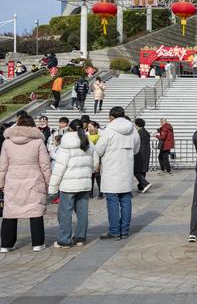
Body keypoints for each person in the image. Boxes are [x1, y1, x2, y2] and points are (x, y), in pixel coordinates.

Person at [0, 116, 51, 253]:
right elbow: (45, 165)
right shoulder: (38, 142)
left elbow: (3, 165)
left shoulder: (7, 143)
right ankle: (37, 243)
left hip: (13, 180)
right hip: (34, 179)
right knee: (35, 211)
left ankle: (6, 244)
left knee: (10, 212)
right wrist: (48, 181)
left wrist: (1, 182)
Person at [48, 119, 97, 248]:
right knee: (82, 212)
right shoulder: (88, 142)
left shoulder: (66, 143)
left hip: (68, 185)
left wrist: (52, 187)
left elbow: (59, 168)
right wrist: (87, 173)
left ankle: (64, 239)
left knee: (65, 213)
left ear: (69, 129)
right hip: (85, 183)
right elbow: (95, 163)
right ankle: (80, 238)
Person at [95, 106, 140, 240]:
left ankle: (114, 230)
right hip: (126, 168)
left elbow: (99, 149)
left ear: (111, 117)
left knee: (112, 200)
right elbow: (136, 149)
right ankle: (124, 231)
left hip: (111, 169)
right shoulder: (133, 130)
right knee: (126, 200)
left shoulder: (108, 130)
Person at [133, 119, 152, 194]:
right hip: (146, 152)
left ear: (137, 124)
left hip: (140, 153)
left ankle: (145, 183)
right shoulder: (146, 132)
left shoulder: (138, 133)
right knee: (142, 169)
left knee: (136, 170)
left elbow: (136, 144)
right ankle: (141, 186)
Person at [87, 121, 103, 199]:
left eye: (91, 126)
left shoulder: (101, 135)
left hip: (100, 157)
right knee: (91, 176)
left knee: (98, 175)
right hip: (89, 157)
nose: (89, 128)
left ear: (96, 127)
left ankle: (101, 192)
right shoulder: (86, 135)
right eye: (88, 127)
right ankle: (90, 192)